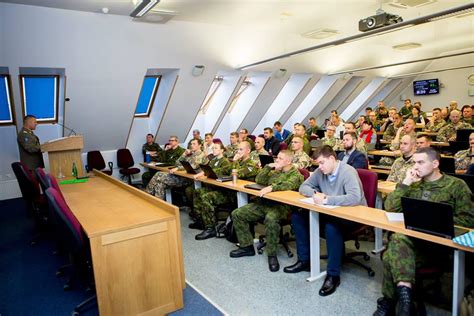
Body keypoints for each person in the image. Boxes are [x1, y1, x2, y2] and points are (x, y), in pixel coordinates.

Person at [374, 147, 474, 316]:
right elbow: (390, 207)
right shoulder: (414, 185)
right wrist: (405, 183)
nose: (415, 166)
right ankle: (405, 304)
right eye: (414, 162)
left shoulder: (456, 185)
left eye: (420, 162)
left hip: (440, 246)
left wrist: (437, 221)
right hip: (413, 243)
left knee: (394, 249)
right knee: (397, 242)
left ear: (435, 163)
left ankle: (389, 302)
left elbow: (468, 219)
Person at [284, 145, 366, 297]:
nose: (319, 167)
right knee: (297, 217)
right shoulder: (321, 171)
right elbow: (304, 187)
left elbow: (355, 198)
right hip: (329, 211)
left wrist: (327, 199)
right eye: (318, 164)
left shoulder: (348, 171)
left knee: (331, 227)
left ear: (332, 159)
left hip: (352, 216)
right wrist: (316, 194)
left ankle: (333, 275)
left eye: (322, 163)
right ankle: (304, 260)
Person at [229, 150, 304, 272]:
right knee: (237, 214)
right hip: (264, 203)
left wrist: (272, 187)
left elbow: (289, 184)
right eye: (277, 158)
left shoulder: (296, 174)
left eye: (280, 158)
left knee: (271, 219)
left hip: (281, 206)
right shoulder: (275, 171)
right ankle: (246, 246)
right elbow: (259, 180)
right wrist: (268, 167)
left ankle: (272, 255)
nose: (277, 160)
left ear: (288, 161)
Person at [190, 142, 232, 239]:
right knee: (197, 192)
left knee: (206, 197)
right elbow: (206, 170)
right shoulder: (213, 160)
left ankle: (210, 228)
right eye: (213, 148)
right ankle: (201, 221)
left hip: (223, 190)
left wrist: (203, 174)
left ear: (222, 150)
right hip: (214, 187)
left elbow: (217, 173)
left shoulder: (225, 161)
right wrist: (201, 173)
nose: (213, 150)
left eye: (216, 148)